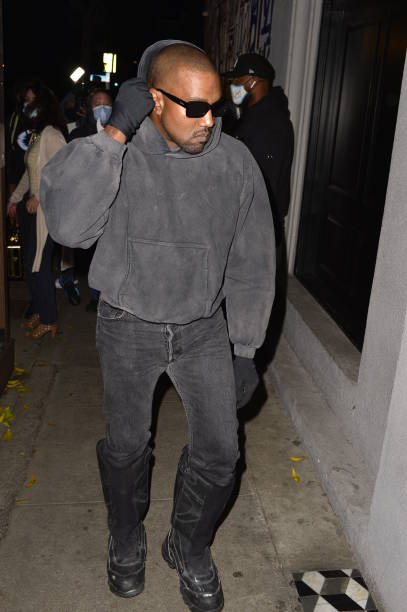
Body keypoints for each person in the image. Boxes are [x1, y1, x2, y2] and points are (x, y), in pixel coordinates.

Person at [40, 40, 275, 612]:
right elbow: (67, 227)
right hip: (128, 324)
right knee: (126, 449)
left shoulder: (235, 162)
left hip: (203, 329)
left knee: (221, 453)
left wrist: (245, 347)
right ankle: (126, 538)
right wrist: (113, 135)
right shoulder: (115, 151)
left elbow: (253, 260)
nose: (209, 120)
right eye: (195, 107)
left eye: (216, 106)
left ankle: (187, 545)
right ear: (156, 100)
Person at [225, 53, 294, 366]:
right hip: (243, 226)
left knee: (250, 305)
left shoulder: (270, 124)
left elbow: (263, 186)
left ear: (254, 81)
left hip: (257, 230)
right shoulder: (251, 117)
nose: (233, 86)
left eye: (238, 80)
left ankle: (243, 370)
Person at [7, 84, 66, 339]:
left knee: (40, 264)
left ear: (42, 105)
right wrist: (15, 198)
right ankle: (41, 312)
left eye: (31, 101)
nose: (26, 106)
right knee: (32, 264)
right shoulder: (36, 135)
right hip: (31, 209)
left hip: (46, 210)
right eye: (25, 101)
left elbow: (62, 170)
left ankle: (50, 319)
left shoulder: (52, 134)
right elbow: (28, 172)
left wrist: (39, 196)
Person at [66, 88, 114, 311]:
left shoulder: (124, 132)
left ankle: (110, 296)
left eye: (107, 104)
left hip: (115, 202)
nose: (102, 109)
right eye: (97, 105)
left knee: (112, 251)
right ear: (89, 108)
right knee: (93, 253)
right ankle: (96, 296)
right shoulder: (78, 135)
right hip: (89, 203)